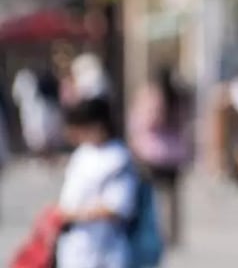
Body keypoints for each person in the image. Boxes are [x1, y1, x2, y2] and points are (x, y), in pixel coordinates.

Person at [56, 98, 138, 268]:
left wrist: (75, 214)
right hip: (75, 247)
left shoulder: (118, 158)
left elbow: (117, 207)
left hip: (104, 248)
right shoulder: (82, 153)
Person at [128, 65, 193, 246]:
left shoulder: (152, 96)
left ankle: (157, 232)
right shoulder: (178, 98)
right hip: (175, 152)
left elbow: (143, 123)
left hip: (153, 152)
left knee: (153, 196)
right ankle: (174, 233)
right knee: (173, 197)